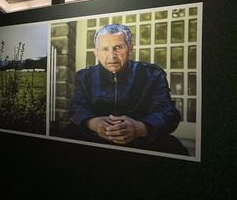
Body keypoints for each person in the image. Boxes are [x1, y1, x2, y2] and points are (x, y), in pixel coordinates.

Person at [66, 24, 188, 155]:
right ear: (96, 53)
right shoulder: (84, 76)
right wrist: (93, 124)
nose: (112, 55)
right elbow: (77, 107)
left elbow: (167, 112)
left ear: (130, 49)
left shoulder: (152, 74)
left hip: (142, 142)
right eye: (105, 49)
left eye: (118, 47)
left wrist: (140, 128)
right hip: (94, 138)